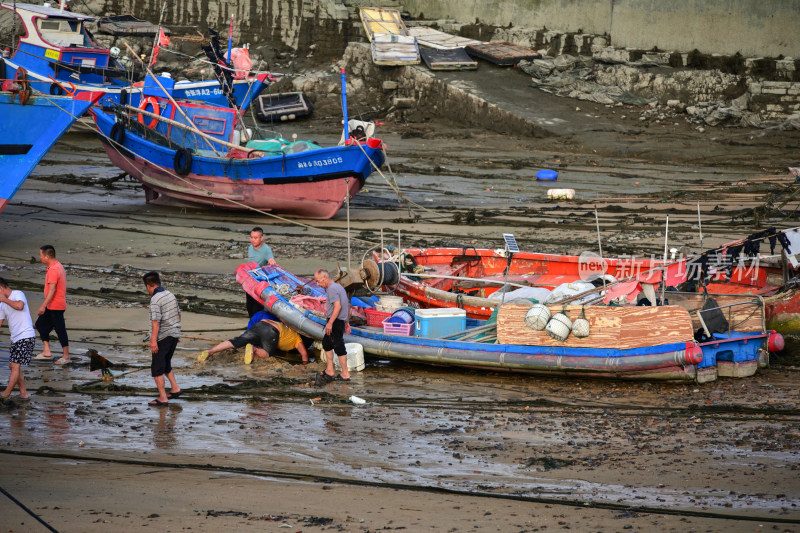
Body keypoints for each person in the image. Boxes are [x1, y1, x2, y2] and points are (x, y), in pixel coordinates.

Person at [198, 314, 309, 364]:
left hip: (261, 323)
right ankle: (254, 349)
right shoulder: (297, 339)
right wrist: (304, 364)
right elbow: (304, 354)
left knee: (237, 341)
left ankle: (211, 351)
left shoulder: (290, 331)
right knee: (267, 354)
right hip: (272, 331)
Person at [143, 271, 182, 406]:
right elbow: (179, 314)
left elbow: (156, 322)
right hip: (175, 334)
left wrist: (153, 340)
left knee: (157, 369)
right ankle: (175, 388)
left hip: (163, 336)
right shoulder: (170, 294)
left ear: (148, 286)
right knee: (166, 363)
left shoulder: (155, 300)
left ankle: (163, 398)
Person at [313, 268, 351, 385]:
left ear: (324, 278)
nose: (318, 284)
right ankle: (330, 370)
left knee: (338, 345)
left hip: (335, 321)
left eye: (318, 281)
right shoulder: (338, 287)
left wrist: (330, 323)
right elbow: (347, 304)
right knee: (326, 343)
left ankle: (345, 373)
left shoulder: (332, 289)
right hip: (339, 320)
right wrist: (347, 322)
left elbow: (338, 306)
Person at [33, 244, 70, 364]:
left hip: (56, 305)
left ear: (47, 256)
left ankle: (66, 356)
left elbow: (52, 290)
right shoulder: (56, 265)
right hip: (52, 304)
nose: (40, 258)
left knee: (60, 329)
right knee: (40, 324)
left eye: (41, 255)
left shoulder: (54, 269)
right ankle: (47, 351)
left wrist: (43, 305)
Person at [0, 278, 35, 401]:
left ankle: (6, 393)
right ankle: (23, 393)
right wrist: (3, 301)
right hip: (15, 338)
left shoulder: (18, 294)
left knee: (15, 366)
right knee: (13, 366)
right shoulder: (2, 305)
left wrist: (4, 299)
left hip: (26, 336)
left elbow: (20, 306)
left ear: (1, 288)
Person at [246, 226, 277, 318]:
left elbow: (271, 260)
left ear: (261, 238)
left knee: (257, 308)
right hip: (250, 281)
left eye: (255, 238)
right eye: (251, 237)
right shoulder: (250, 248)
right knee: (249, 306)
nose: (253, 240)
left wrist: (271, 261)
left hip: (259, 284)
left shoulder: (266, 249)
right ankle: (252, 324)